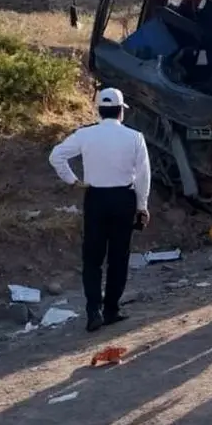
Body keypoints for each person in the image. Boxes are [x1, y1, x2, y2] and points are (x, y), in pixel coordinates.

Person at [49, 87, 152, 332]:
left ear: (99, 110)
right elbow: (144, 176)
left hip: (95, 198)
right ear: (121, 111)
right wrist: (142, 206)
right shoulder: (135, 137)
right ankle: (111, 309)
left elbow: (56, 156)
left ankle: (93, 311)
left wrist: (73, 180)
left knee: (92, 258)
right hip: (123, 198)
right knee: (119, 258)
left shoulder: (85, 135)